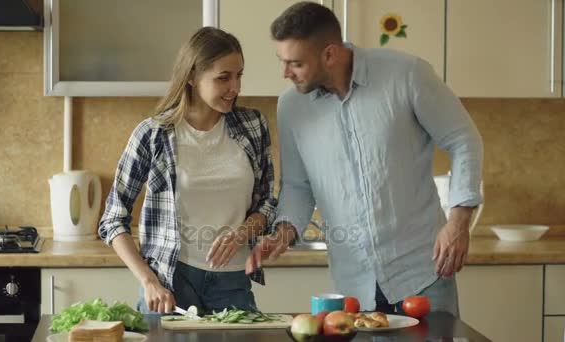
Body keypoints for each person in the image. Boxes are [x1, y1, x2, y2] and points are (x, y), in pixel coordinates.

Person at [246, 2, 483, 317]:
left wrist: (458, 223)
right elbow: (298, 186)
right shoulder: (292, 107)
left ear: (329, 54)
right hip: (353, 286)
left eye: (296, 63)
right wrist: (284, 232)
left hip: (423, 272)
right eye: (283, 61)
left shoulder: (407, 74)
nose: (285, 73)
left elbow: (462, 139)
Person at [99, 26, 277, 315]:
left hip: (233, 281)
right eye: (223, 78)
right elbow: (113, 219)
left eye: (239, 75)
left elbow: (268, 204)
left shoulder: (253, 126)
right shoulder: (154, 134)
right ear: (193, 77)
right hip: (170, 283)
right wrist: (149, 281)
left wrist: (241, 233)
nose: (235, 88)